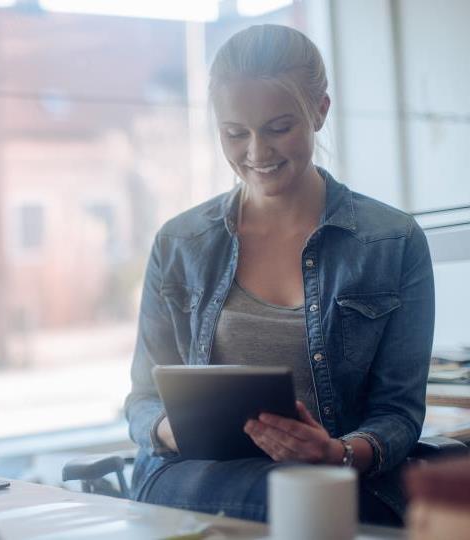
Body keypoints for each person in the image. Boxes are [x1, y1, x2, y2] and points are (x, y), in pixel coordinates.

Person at [124, 24, 434, 526]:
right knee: (292, 503)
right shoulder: (180, 243)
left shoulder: (392, 241)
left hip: (334, 478)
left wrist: (333, 452)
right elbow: (141, 399)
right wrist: (168, 430)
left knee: (308, 499)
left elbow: (398, 415)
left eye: (278, 127)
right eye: (235, 133)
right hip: (192, 474)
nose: (256, 153)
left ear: (320, 110)